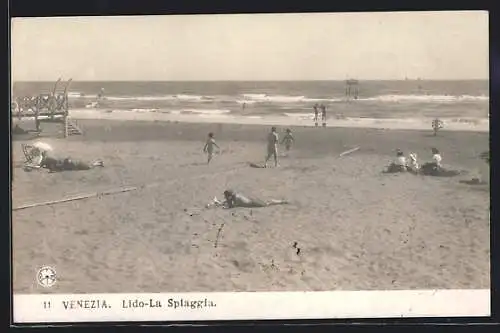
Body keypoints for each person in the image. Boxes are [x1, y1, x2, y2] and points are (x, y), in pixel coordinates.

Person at [222, 189, 288, 208]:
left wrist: (226, 202)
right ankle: (281, 201)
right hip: (252, 201)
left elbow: (232, 206)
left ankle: (282, 202)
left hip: (253, 203)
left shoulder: (236, 198)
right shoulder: (235, 196)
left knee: (267, 204)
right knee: (268, 202)